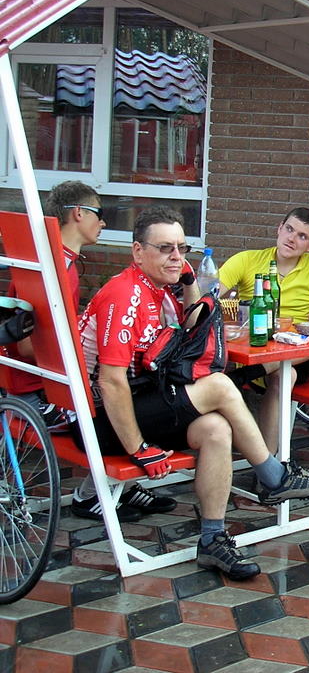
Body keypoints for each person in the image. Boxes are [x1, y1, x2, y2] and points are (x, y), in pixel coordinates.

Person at [77, 206, 309, 579]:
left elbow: (196, 324)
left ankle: (213, 540)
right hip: (99, 420)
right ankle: (275, 477)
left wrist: (187, 281)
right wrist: (139, 449)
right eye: (165, 248)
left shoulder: (159, 290)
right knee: (218, 385)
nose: (176, 257)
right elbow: (110, 382)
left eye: (182, 249)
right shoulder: (125, 294)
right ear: (138, 251)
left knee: (217, 429)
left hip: (139, 401)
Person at [1, 182, 175, 523]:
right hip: (39, 394)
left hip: (42, 385)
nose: (104, 222)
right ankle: (95, 493)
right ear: (79, 214)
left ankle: (118, 487)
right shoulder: (53, 269)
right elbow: (26, 344)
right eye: (100, 213)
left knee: (134, 388)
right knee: (144, 402)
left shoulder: (53, 260)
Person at [218, 207, 309, 453]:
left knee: (286, 373)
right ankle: (268, 463)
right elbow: (208, 294)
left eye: (302, 236)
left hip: (298, 353)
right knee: (283, 373)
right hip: (256, 346)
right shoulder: (247, 260)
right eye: (289, 229)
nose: (292, 238)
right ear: (279, 228)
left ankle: (268, 459)